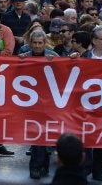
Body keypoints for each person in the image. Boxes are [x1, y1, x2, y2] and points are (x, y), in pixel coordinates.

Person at [20, 30, 59, 180]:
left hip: (49, 102)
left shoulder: (53, 56)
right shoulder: (24, 55)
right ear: (30, 43)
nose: (37, 46)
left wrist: (54, 64)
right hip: (30, 103)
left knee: (44, 135)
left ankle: (42, 165)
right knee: (37, 135)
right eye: (34, 43)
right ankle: (36, 167)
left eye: (40, 43)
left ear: (44, 43)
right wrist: (20, 62)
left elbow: (64, 75)